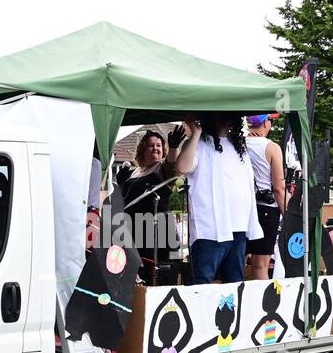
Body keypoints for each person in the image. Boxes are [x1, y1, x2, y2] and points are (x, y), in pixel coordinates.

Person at [175, 114, 262, 284]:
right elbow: (182, 167)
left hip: (238, 226)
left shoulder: (239, 146)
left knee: (235, 283)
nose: (225, 119)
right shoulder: (199, 143)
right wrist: (196, 133)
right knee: (201, 282)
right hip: (210, 229)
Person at [120, 130, 177, 284]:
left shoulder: (161, 169)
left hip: (156, 231)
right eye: (151, 145)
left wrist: (173, 148)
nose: (155, 148)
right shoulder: (136, 171)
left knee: (153, 273)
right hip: (134, 229)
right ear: (143, 149)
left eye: (159, 145)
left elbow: (172, 166)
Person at [244, 114, 286, 280]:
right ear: (265, 123)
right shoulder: (271, 147)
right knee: (260, 265)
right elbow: (279, 187)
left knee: (236, 260)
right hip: (266, 209)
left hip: (242, 207)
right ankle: (259, 305)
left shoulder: (237, 144)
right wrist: (288, 215)